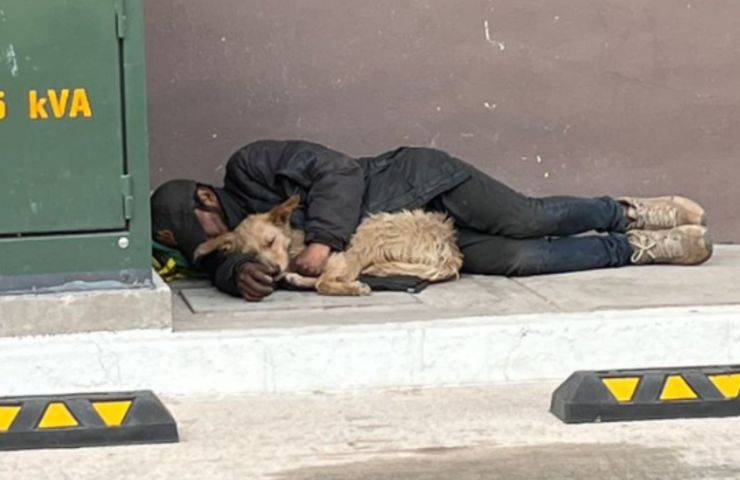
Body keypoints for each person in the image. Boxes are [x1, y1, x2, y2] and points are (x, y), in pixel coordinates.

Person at [151, 140, 712, 302]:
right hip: (410, 238)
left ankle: (629, 212)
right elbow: (219, 270)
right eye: (210, 244)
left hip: (421, 184)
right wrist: (231, 275)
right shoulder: (231, 244)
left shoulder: (251, 167)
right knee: (519, 260)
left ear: (206, 196)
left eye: (209, 228)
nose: (218, 240)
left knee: (525, 218)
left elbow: (340, 172)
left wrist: (321, 245)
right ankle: (639, 248)